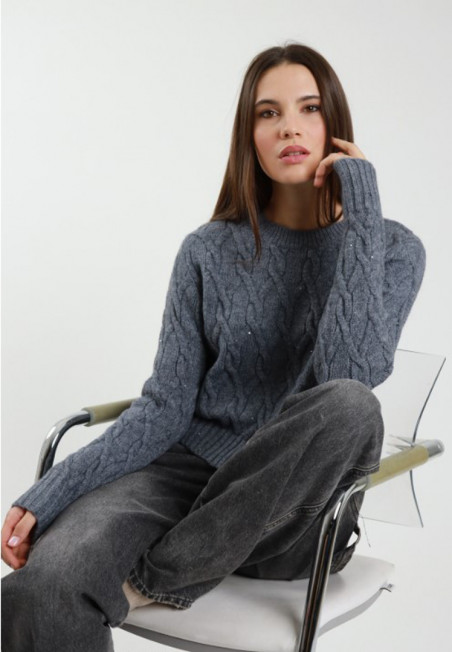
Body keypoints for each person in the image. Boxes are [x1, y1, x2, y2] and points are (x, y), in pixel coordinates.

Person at [1, 42, 425, 651]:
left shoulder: (393, 248)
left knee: (352, 404)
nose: (289, 127)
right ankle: (130, 572)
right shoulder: (207, 250)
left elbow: (349, 367)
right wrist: (53, 491)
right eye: (268, 113)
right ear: (249, 136)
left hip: (297, 513)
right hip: (187, 475)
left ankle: (151, 581)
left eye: (309, 108)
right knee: (43, 586)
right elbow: (164, 407)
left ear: (334, 124)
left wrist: (360, 207)